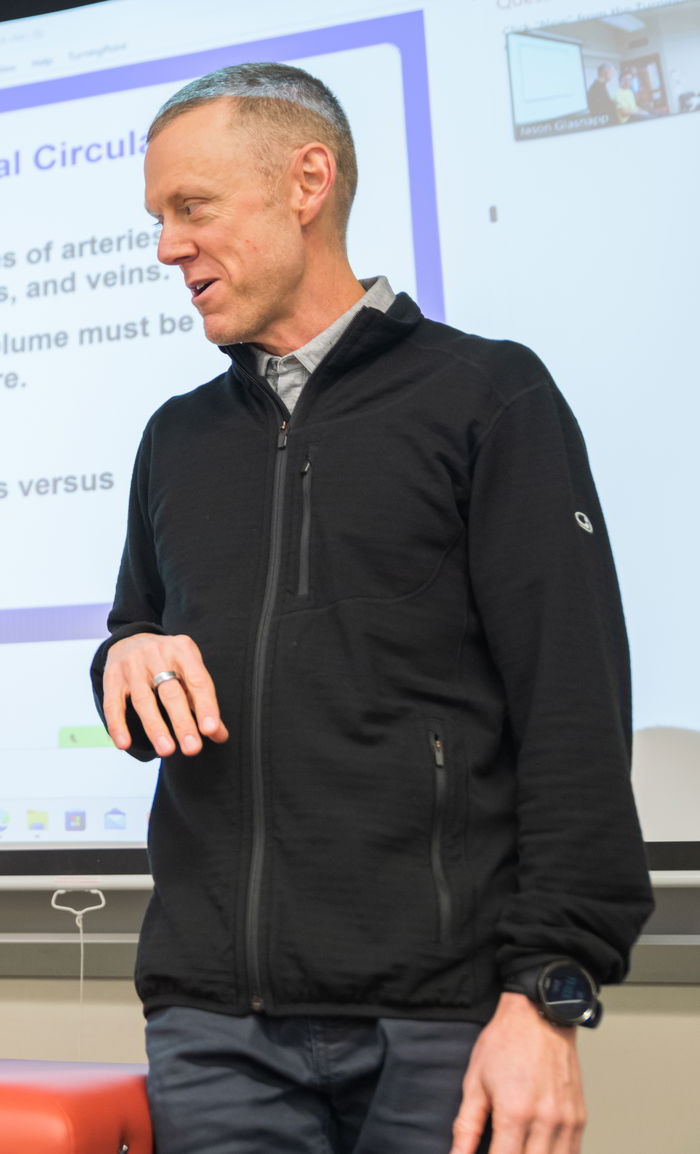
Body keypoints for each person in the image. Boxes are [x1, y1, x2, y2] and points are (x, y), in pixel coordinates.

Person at [91, 63, 651, 1154]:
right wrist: (123, 654)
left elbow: (572, 708)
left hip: (443, 1022)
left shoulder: (488, 396)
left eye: (190, 208)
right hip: (211, 1027)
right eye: (157, 217)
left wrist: (549, 990)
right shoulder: (175, 437)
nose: (165, 246)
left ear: (308, 180)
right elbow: (135, 634)